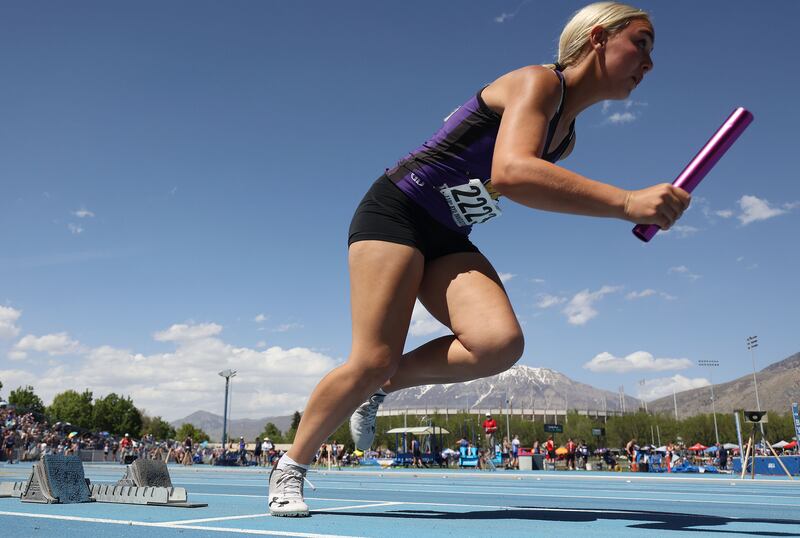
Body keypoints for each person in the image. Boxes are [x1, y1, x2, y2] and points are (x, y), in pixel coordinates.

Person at [268, 2, 687, 517]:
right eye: (640, 43)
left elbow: (517, 186)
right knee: (370, 356)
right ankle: (290, 466)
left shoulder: (567, 137)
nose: (649, 62)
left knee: (498, 344)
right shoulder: (539, 83)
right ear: (598, 38)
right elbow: (512, 173)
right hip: (396, 212)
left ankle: (386, 383)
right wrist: (626, 203)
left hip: (447, 233)